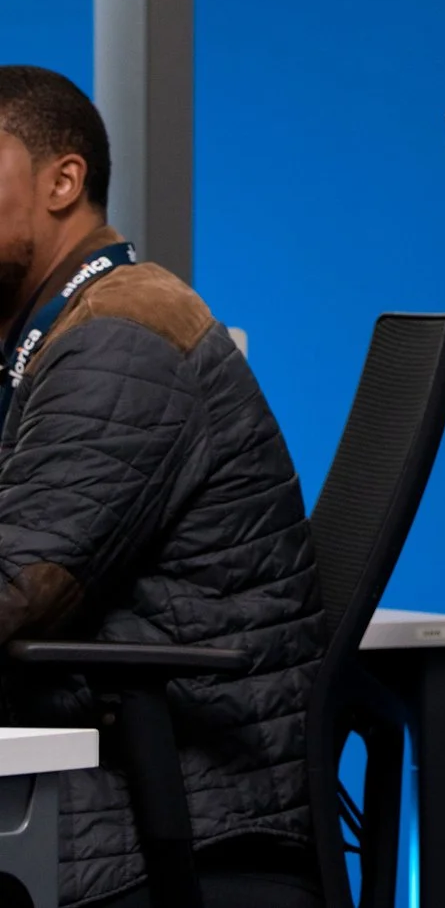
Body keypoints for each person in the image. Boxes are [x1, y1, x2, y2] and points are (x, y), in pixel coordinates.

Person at [0, 67, 324, 908]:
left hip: (154, 814)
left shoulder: (121, 338)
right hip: (102, 778)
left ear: (63, 180)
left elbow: (17, 587)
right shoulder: (61, 334)